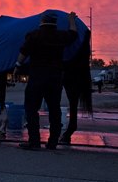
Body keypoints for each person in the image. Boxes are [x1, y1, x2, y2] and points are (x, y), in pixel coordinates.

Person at [13, 11, 78, 150]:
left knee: (31, 109)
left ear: (41, 22)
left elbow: (23, 53)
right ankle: (53, 142)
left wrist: (17, 67)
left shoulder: (34, 35)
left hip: (37, 77)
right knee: (54, 109)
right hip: (55, 78)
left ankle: (34, 142)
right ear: (54, 23)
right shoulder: (61, 36)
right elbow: (73, 34)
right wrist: (71, 19)